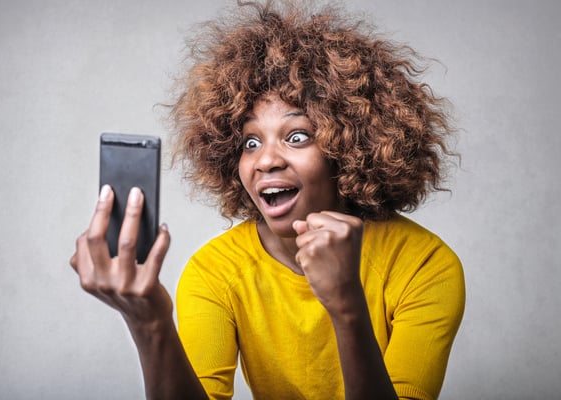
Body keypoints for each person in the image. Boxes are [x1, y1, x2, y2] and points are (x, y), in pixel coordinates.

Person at [70, 1, 465, 399]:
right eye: (250, 142)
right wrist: (150, 323)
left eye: (296, 136)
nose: (266, 160)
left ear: (349, 148)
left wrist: (347, 305)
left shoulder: (425, 266)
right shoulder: (216, 272)